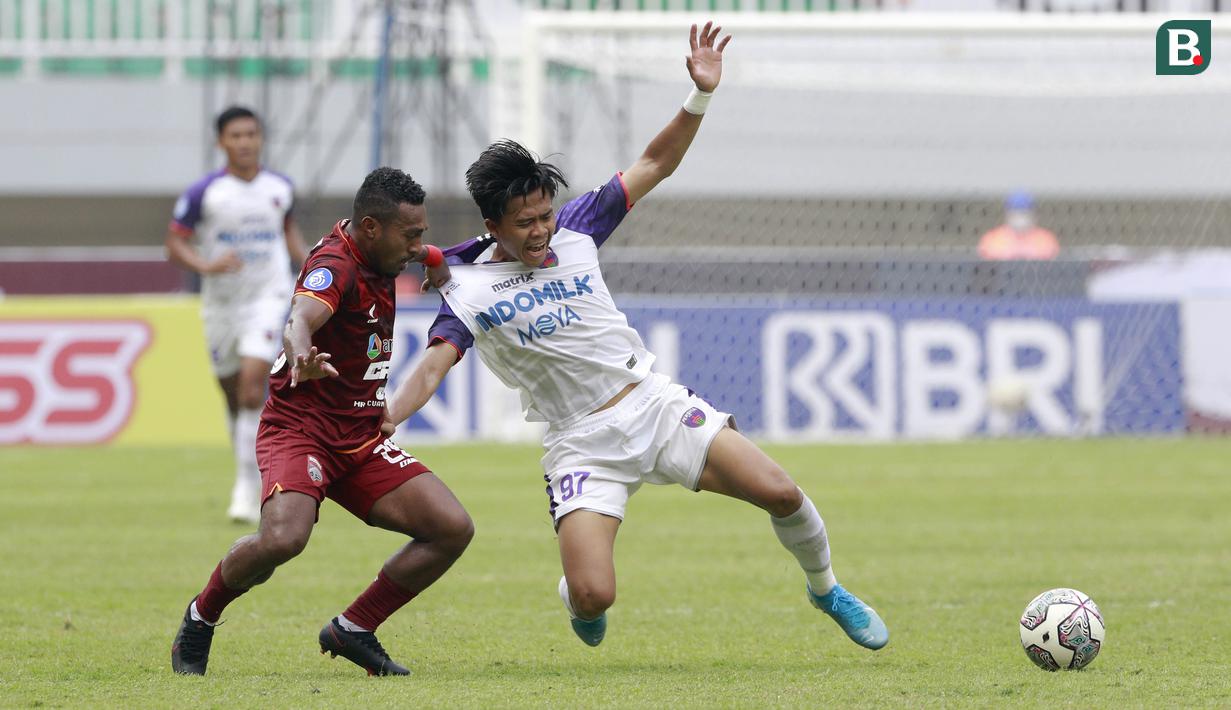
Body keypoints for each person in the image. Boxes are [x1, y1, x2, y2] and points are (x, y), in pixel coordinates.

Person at [384, 22, 888, 651]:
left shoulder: (578, 228)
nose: (541, 231)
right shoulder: (467, 291)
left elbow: (655, 162)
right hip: (580, 443)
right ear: (493, 224)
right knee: (594, 598)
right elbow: (432, 367)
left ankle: (826, 589)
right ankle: (577, 591)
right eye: (525, 223)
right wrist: (387, 420)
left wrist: (698, 96)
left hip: (652, 403)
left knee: (781, 492)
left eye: (545, 214)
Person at [171, 167, 473, 677]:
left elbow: (425, 252)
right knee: (283, 539)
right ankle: (202, 614)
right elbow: (300, 318)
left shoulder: (384, 245)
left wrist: (438, 260)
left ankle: (354, 628)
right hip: (301, 430)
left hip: (358, 438)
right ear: (372, 228)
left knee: (450, 528)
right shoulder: (335, 266)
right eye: (412, 235)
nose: (417, 245)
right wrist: (302, 354)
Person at [165, 106, 309, 524]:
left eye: (251, 134)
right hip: (221, 305)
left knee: (251, 388)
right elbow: (174, 243)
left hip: (268, 296)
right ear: (221, 142)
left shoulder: (280, 187)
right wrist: (206, 266)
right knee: (232, 396)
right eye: (236, 136)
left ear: (260, 138)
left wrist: (315, 266)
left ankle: (248, 487)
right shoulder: (205, 193)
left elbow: (288, 235)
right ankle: (245, 468)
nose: (245, 142)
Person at [977, 191, 1060, 261]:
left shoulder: (1046, 239)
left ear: (1034, 214)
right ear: (1007, 214)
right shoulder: (992, 239)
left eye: (1024, 212)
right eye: (1015, 211)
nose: (1020, 216)